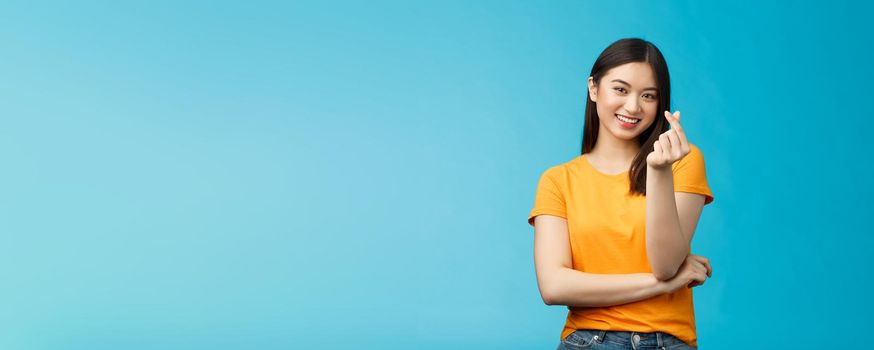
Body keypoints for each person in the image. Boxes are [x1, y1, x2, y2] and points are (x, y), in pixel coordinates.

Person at [528, 38, 714, 350]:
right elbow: (553, 286)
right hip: (587, 340)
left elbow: (666, 263)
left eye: (648, 96)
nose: (633, 107)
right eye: (621, 89)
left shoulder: (682, 161)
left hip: (667, 343)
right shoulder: (557, 180)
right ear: (593, 89)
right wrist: (664, 284)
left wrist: (657, 170)